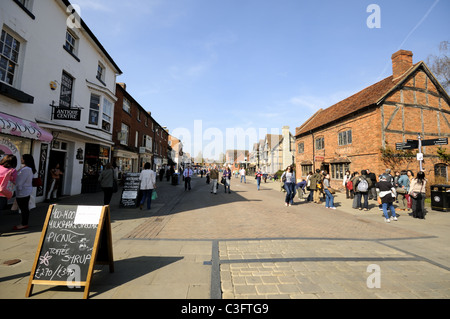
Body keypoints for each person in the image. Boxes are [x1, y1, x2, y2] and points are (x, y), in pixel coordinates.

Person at [13, 154, 36, 230]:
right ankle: (24, 223)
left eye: (22, 158)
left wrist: (17, 189)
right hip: (23, 191)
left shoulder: (26, 169)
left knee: (24, 208)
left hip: (23, 192)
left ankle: (24, 223)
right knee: (24, 208)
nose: (21, 159)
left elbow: (20, 181)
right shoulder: (26, 168)